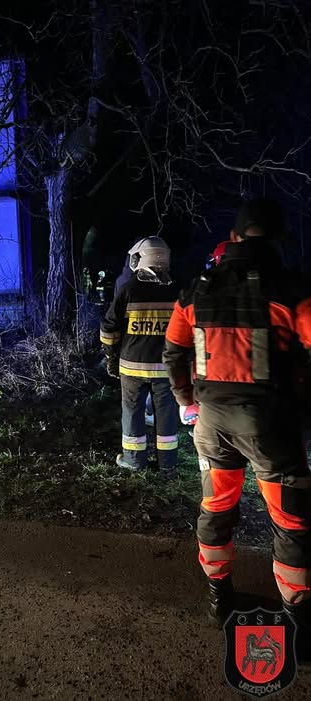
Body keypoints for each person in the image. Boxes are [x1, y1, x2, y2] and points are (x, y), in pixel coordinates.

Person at [162, 198, 311, 661]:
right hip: (270, 428)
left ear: (234, 237)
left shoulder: (195, 290)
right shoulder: (292, 290)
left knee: (216, 508)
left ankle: (219, 599)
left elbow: (173, 352)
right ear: (278, 239)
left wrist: (187, 402)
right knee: (291, 522)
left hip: (211, 423)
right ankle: (298, 622)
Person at [101, 236, 179, 478]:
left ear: (141, 258)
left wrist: (111, 356)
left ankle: (134, 460)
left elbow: (108, 329)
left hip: (132, 367)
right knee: (166, 414)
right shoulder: (178, 291)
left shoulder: (128, 289)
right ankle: (168, 465)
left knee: (133, 412)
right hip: (166, 368)